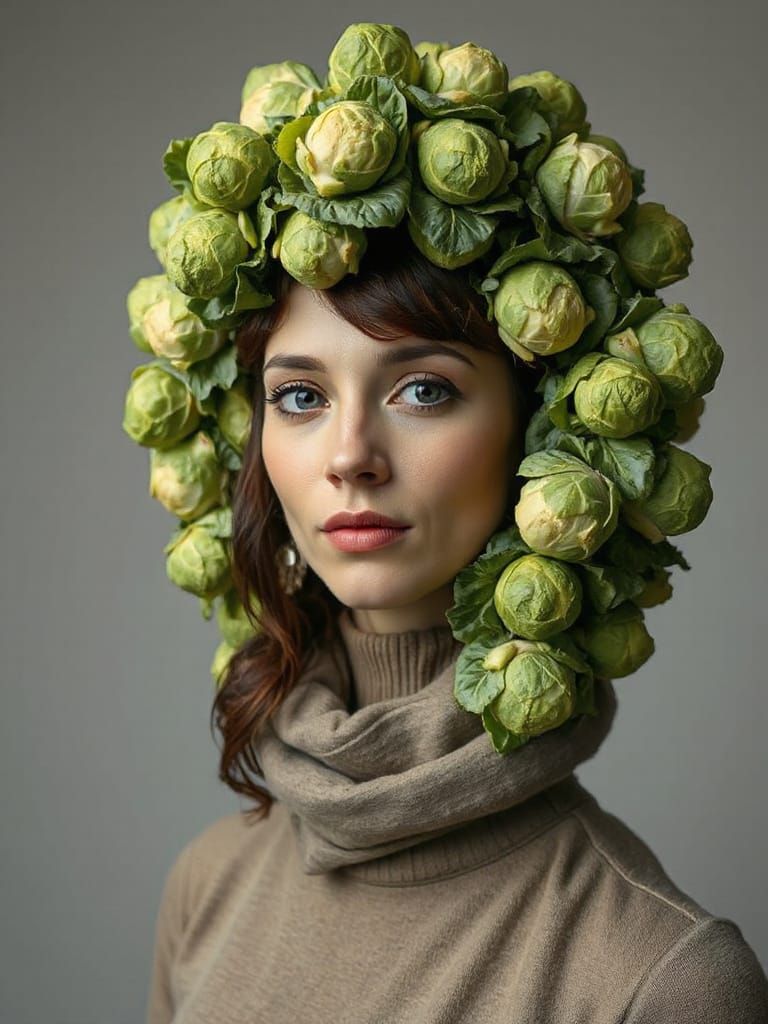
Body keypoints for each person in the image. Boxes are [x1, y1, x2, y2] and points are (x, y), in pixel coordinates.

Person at [145, 224, 768, 1022]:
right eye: (300, 396)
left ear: (542, 428)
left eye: (424, 389)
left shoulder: (664, 979)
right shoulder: (206, 886)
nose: (350, 455)